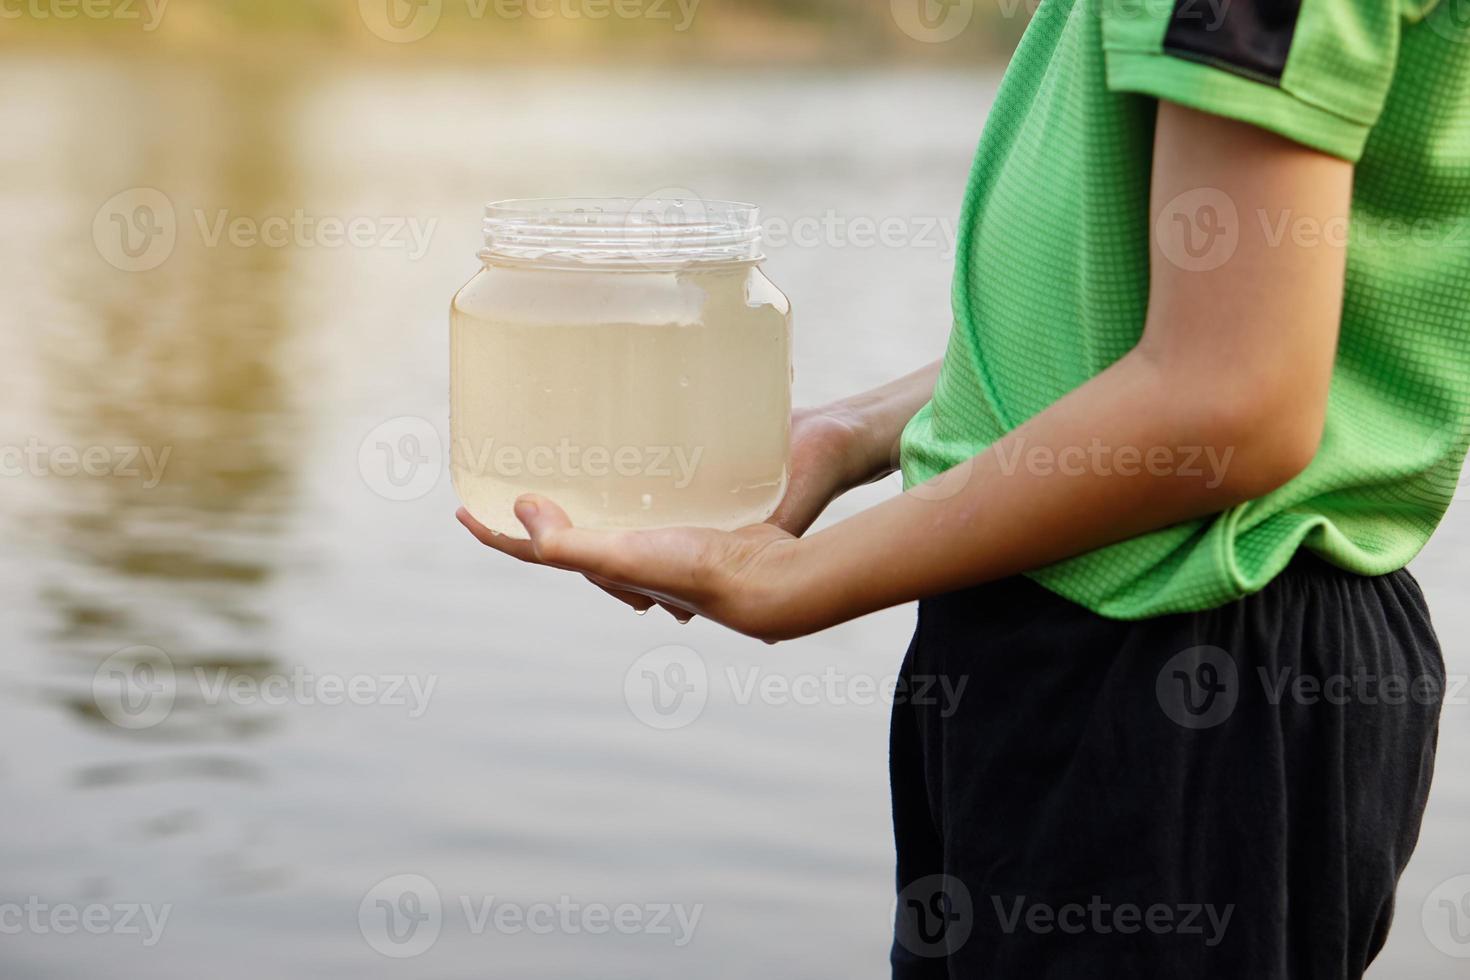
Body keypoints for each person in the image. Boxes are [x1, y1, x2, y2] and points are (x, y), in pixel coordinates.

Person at [458, 0, 1468, 974]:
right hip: (1058, 636)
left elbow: (1229, 401)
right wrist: (851, 433)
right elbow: (1132, 329)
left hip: (1187, 662)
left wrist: (792, 581)